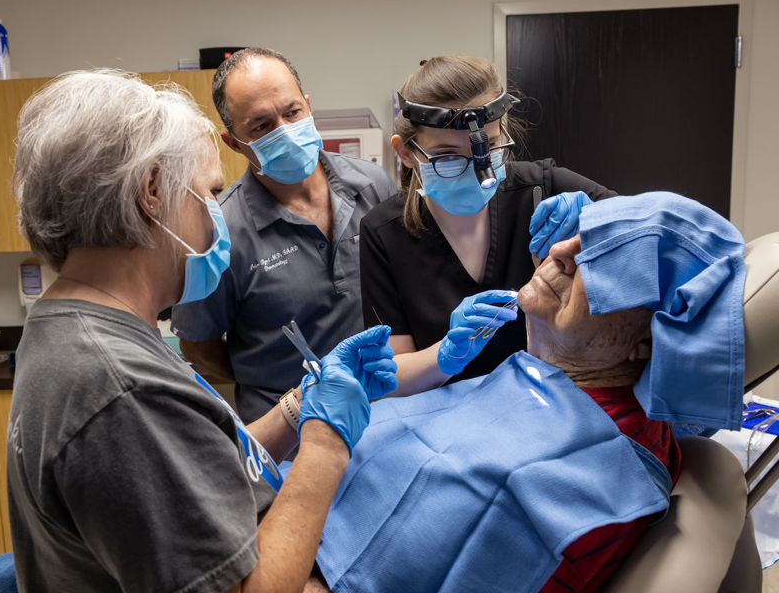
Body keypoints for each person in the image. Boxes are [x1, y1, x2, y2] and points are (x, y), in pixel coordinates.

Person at [6, 69, 396, 593]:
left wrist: (301, 404)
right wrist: (326, 446)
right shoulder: (120, 387)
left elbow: (196, 464)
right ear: (151, 191)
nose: (218, 217)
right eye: (210, 192)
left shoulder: (83, 324)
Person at [313, 191, 748, 592]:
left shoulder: (598, 475)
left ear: (648, 344)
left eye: (598, 265)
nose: (558, 252)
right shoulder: (551, 375)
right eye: (579, 235)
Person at [360, 56, 617, 397]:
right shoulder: (384, 233)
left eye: (489, 148)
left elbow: (667, 234)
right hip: (446, 424)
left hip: (560, 408)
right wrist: (445, 356)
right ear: (406, 153)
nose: (477, 173)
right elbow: (391, 378)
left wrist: (606, 224)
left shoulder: (544, 188)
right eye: (448, 156)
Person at [171, 48, 397, 428]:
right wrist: (269, 379)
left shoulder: (372, 185)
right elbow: (199, 347)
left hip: (387, 412)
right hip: (292, 434)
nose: (285, 131)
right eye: (261, 126)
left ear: (308, 106)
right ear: (234, 143)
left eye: (292, 113)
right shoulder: (220, 229)